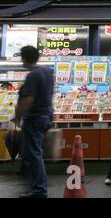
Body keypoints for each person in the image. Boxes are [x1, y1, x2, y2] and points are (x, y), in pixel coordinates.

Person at [12, 46, 54, 198]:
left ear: (24, 58)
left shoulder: (33, 75)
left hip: (34, 118)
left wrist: (17, 116)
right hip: (46, 116)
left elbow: (27, 99)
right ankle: (35, 186)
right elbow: (50, 94)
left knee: (33, 154)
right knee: (32, 152)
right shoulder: (48, 72)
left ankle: (39, 190)